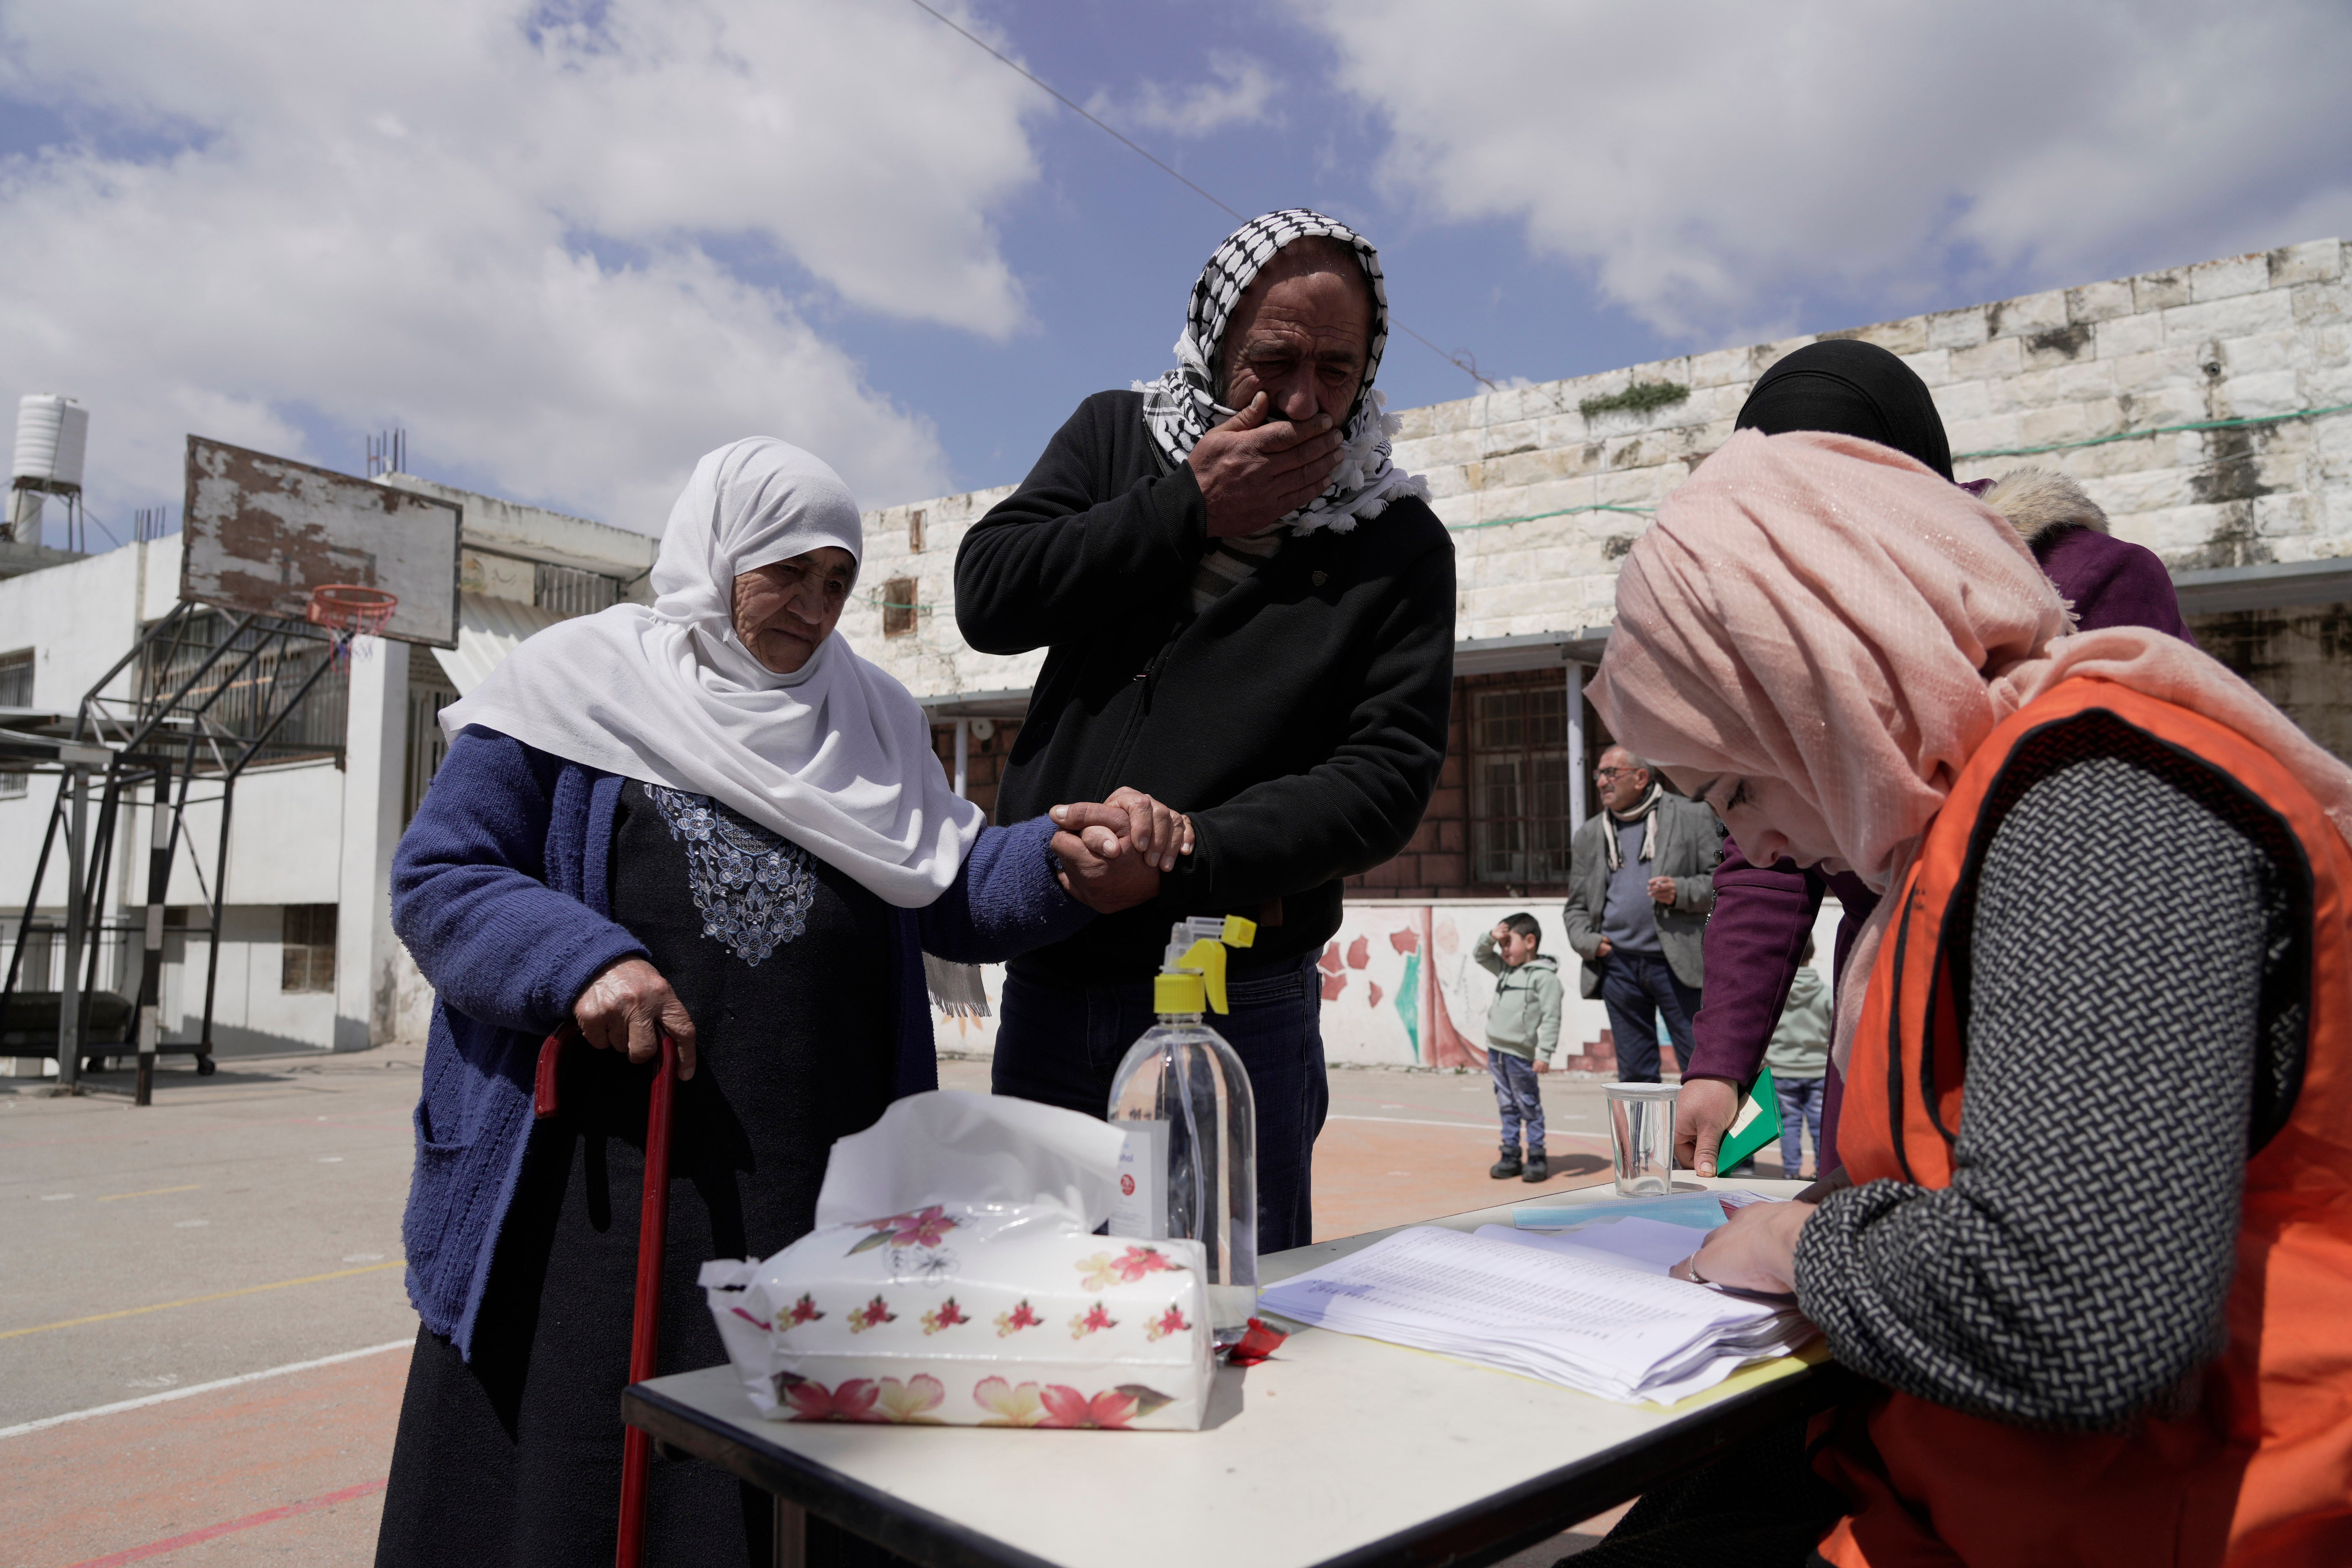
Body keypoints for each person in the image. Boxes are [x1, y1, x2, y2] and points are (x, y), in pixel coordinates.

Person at [374, 441, 1181, 1568]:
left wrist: (1067, 864)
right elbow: (444, 877)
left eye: (835, 582)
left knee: (788, 1486)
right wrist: (580, 966)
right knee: (583, 1470)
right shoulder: (574, 685)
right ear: (717, 556)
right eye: (783, 574)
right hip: (602, 1197)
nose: (811, 607)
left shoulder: (873, 720)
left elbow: (949, 886)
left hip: (820, 1180)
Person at [1583, 426, 2352, 1564]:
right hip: (1998, 1486)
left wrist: (1800, 1247)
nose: (1759, 846)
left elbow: (2075, 1314)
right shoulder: (1971, 823)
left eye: (1736, 786)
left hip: (2182, 1511)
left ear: (1820, 685)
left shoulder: (2099, 805)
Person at [953, 210, 1455, 1252]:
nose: (1304, 400)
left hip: (1238, 998)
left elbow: (1383, 777)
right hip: (1055, 971)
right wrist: (1186, 505)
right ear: (1216, 342)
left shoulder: (1395, 541)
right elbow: (988, 594)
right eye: (1271, 362)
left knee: (1226, 1306)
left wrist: (1188, 850)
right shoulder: (1113, 440)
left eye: (1336, 368)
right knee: (1037, 1289)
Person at [1674, 338, 2198, 1181]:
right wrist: (1720, 1062)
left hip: (2045, 1018)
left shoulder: (2086, 590)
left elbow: (2134, 857)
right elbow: (1764, 855)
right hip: (1877, 1019)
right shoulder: (1795, 631)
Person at [1558, 745, 1720, 1081]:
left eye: (1611, 773)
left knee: (1703, 1065)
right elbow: (1575, 906)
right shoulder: (1590, 834)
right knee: (1635, 1075)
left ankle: (1711, 1137)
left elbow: (1722, 884)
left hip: (1679, 963)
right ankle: (1645, 1137)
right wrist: (1588, 942)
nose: (1602, 782)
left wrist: (1682, 891)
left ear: (1641, 777)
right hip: (1619, 966)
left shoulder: (1692, 815)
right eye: (1599, 774)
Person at [1474, 913, 1563, 1182]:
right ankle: (1510, 1154)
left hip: (1521, 1056)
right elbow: (1480, 955)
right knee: (1506, 1104)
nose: (1503, 950)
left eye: (1507, 943)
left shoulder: (1545, 979)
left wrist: (1544, 1054)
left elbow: (1552, 1017)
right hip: (1496, 1052)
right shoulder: (1506, 969)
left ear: (1530, 941)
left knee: (1528, 1105)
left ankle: (1536, 1155)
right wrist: (1492, 937)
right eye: (1500, 945)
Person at [1763, 936, 1830, 1179]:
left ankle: (1791, 1173)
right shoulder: (1826, 993)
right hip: (1818, 1071)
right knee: (1819, 1125)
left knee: (1789, 1125)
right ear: (1813, 955)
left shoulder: (1777, 995)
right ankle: (1823, 1172)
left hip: (1782, 1071)